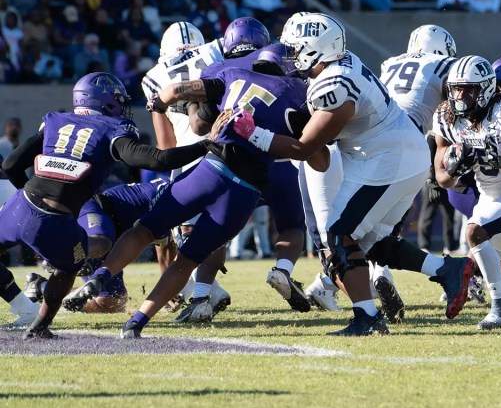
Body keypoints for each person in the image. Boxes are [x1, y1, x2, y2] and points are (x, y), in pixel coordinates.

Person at [232, 12, 475, 335]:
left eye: (294, 49)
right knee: (371, 242)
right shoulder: (340, 65)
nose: (289, 56)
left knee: (338, 236)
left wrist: (253, 133)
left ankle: (367, 318)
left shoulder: (334, 85)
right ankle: (448, 269)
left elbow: (305, 149)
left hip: (387, 158)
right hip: (394, 154)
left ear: (314, 49)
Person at [64, 48, 311, 338]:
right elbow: (312, 154)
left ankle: (101, 276)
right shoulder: (301, 94)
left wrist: (160, 103)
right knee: (186, 261)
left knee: (145, 230)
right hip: (244, 192)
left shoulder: (233, 73)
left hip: (209, 170)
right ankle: (137, 322)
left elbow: (178, 94)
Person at [0, 73, 211, 339]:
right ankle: (38, 326)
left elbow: (10, 165)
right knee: (67, 270)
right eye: (118, 100)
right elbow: (158, 160)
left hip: (19, 204)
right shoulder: (113, 128)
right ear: (105, 101)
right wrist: (206, 144)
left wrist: (28, 196)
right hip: (56, 219)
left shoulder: (54, 120)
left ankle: (26, 305)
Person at [200, 30, 314, 314]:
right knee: (291, 226)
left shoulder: (217, 70)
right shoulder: (287, 71)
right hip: (279, 161)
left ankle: (201, 294)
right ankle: (283, 269)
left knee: (215, 229)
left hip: (233, 161)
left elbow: (199, 125)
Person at [433, 56, 501, 329]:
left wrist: (493, 159)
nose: (461, 96)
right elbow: (442, 179)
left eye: (469, 89)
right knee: (497, 266)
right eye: (457, 88)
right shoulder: (446, 117)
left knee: (474, 232)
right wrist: (456, 167)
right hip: (489, 199)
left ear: (487, 89)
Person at [141, 21, 233, 324]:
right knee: (217, 226)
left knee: (187, 232)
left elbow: (166, 144)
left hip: (187, 157)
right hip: (229, 145)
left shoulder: (153, 78)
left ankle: (203, 294)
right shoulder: (215, 52)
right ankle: (206, 291)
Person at [381, 25, 458, 314]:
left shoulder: (390, 63)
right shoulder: (441, 63)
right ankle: (442, 270)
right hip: (406, 140)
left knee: (367, 220)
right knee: (376, 223)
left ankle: (335, 282)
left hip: (367, 137)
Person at [26, 177, 172, 314]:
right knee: (102, 243)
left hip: (113, 230)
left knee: (112, 302)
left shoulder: (179, 193)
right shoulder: (175, 196)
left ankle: (41, 287)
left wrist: (170, 290)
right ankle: (62, 256)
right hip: (97, 211)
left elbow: (164, 243)